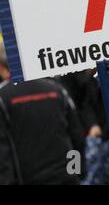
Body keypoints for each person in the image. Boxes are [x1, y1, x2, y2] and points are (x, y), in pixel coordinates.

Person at [0, 47, 85, 184]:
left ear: (4, 69)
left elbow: (3, 152)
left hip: (28, 179)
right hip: (65, 177)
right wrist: (76, 172)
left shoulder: (3, 97)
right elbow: (77, 137)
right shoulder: (56, 90)